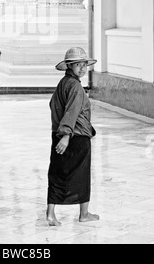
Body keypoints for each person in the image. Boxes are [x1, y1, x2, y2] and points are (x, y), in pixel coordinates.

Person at [47, 47, 100, 226]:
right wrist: (66, 135)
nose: (83, 68)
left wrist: (59, 133)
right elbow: (72, 111)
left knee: (57, 173)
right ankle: (84, 214)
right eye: (78, 65)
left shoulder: (63, 83)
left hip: (61, 135)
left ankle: (50, 214)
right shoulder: (75, 86)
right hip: (74, 138)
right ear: (69, 66)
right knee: (82, 175)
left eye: (84, 64)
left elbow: (53, 105)